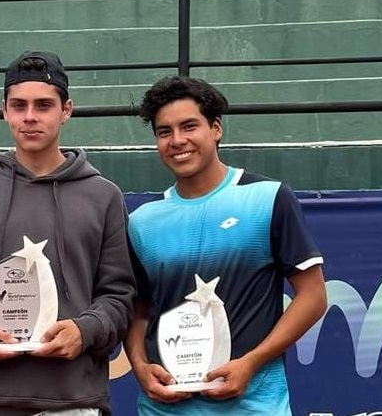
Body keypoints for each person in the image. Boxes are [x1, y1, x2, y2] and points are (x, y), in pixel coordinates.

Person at [0, 51, 135, 416]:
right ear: (4, 110)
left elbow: (119, 296)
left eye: (43, 105)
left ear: (66, 110)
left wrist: (84, 330)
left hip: (74, 401)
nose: (30, 117)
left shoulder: (104, 196)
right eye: (19, 105)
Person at [124, 76, 327, 415]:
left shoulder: (269, 198)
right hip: (164, 408)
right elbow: (138, 311)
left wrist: (251, 362)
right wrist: (140, 366)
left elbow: (314, 296)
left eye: (189, 126)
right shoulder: (142, 221)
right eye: (164, 132)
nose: (177, 141)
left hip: (255, 405)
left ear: (216, 128)